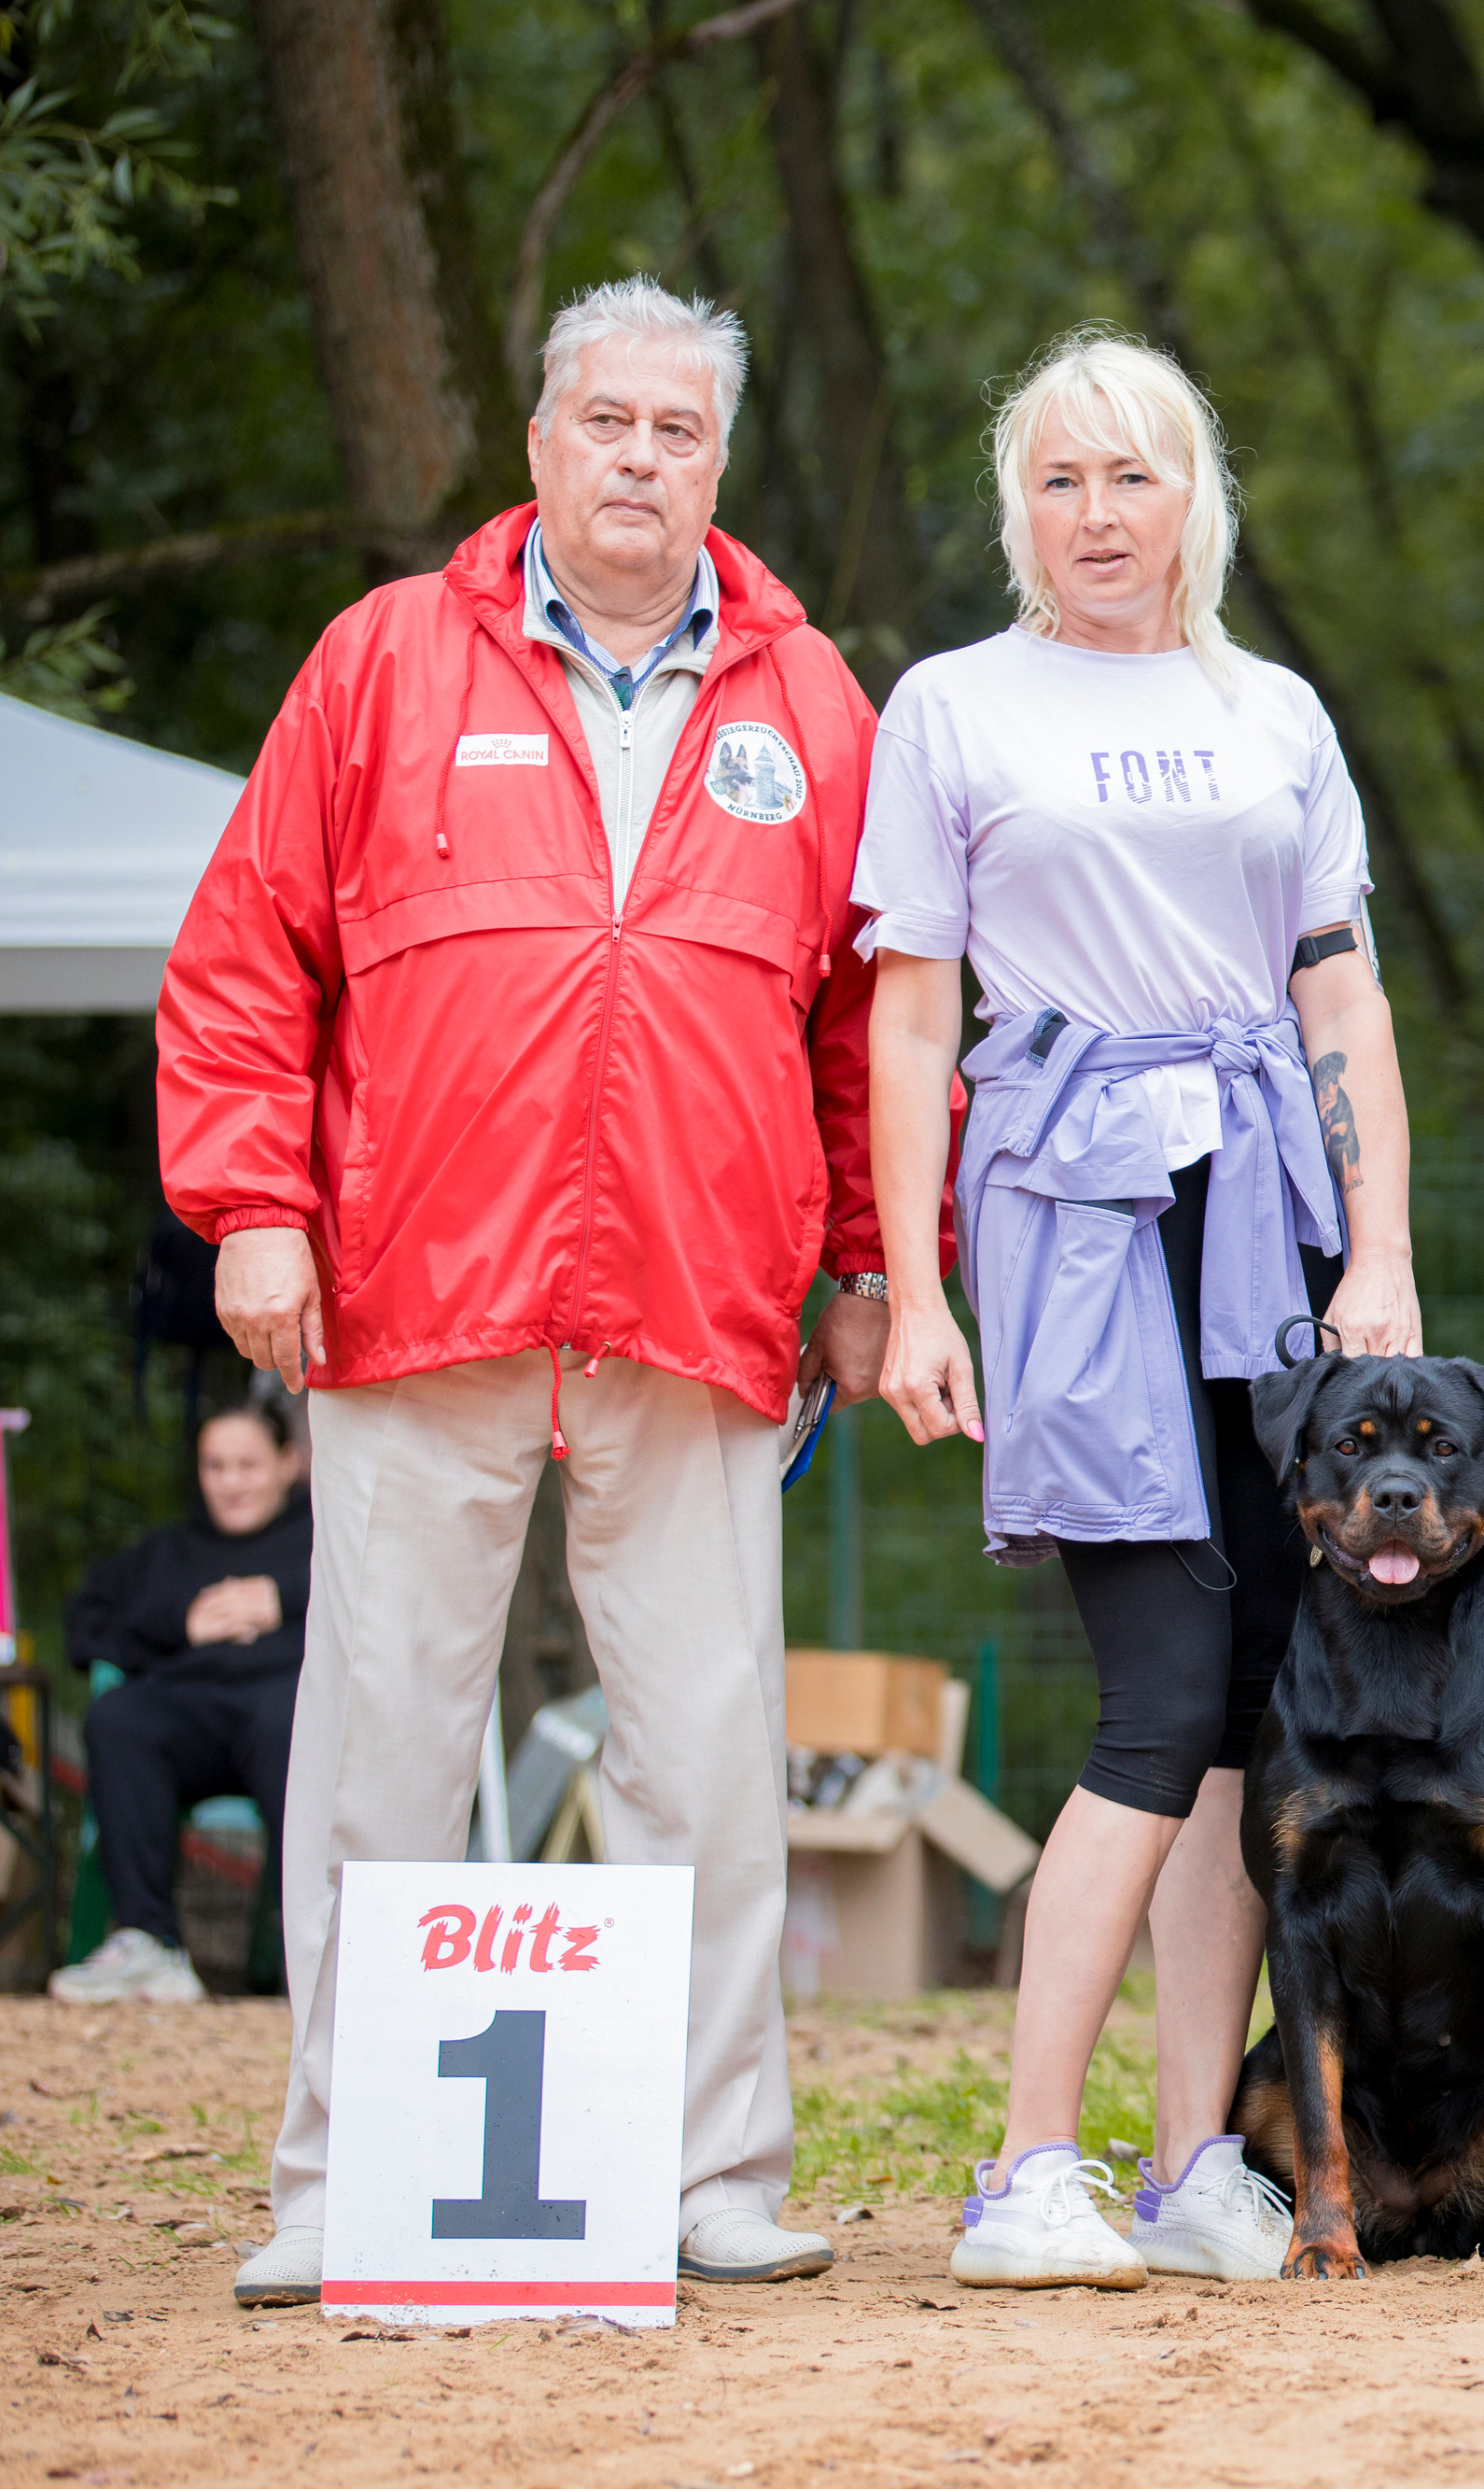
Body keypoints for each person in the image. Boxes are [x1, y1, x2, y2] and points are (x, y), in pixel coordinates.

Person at [157, 274, 939, 2309]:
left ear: (718, 463)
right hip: (411, 1287)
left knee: (700, 1733)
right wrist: (252, 1200)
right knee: (381, 1734)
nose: (638, 459)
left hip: (699, 1293)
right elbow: (247, 955)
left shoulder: (809, 696)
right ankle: (342, 2176)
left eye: (677, 431)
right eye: (605, 422)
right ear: (536, 443)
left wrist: (860, 1259)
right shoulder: (381, 662)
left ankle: (713, 2173)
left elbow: (870, 1020)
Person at [860, 327, 1423, 2289]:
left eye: (1134, 474)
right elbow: (912, 1009)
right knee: (1155, 1685)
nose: (1098, 513)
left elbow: (1337, 995)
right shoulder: (949, 706)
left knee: (1249, 1705)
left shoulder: (1272, 709)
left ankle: (1194, 2162)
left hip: (1266, 1209)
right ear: (1019, 510)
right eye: (1058, 480)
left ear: (1200, 496)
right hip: (1073, 1211)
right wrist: (911, 1283)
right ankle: (1027, 2166)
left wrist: (1382, 1256)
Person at [50, 1402, 311, 2005]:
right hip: (190, 1712)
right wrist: (182, 1620)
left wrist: (282, 1599)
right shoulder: (167, 1554)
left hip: (282, 1710)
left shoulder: (325, 1543)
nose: (231, 1482)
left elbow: (385, 1609)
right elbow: (86, 1627)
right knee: (119, 1717)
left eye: (248, 1464)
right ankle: (147, 1942)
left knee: (293, 1723)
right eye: (215, 1466)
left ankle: (303, 1942)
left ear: (287, 1464)